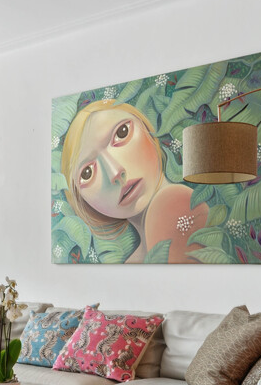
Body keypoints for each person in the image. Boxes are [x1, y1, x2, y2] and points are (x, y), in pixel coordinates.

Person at [59, 99, 205, 263]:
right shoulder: (135, 260)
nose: (115, 172)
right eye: (87, 173)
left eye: (122, 133)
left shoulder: (175, 203)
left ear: (146, 127)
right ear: (82, 200)